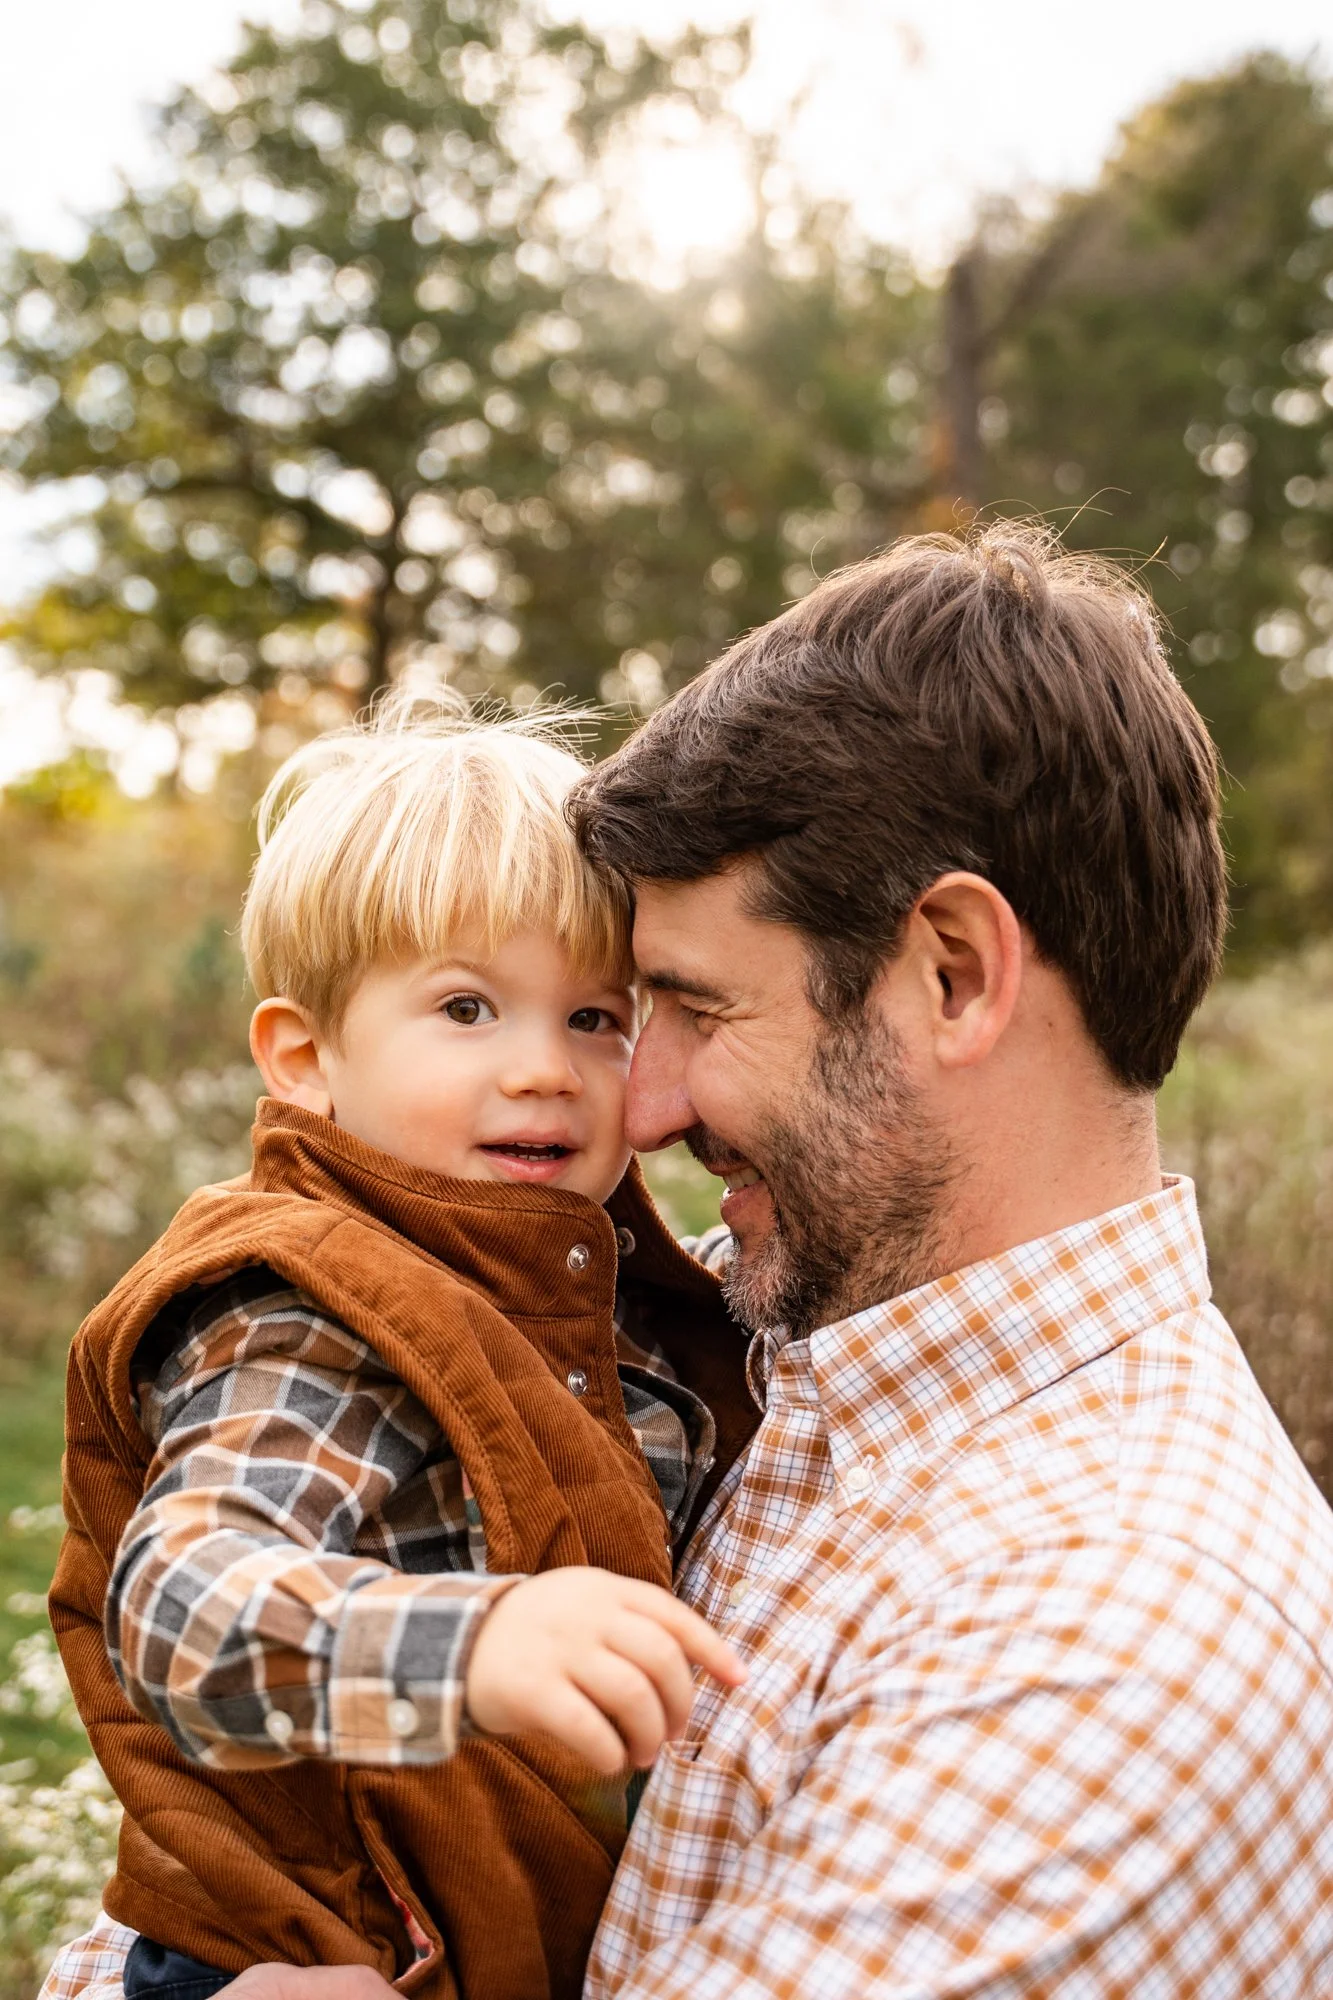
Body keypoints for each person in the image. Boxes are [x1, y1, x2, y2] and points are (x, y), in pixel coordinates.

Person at [150, 521, 1333, 1997]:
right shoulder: (748, 1319)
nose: (634, 1109)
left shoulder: (1104, 1640)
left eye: (690, 1011)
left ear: (953, 975)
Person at [42, 697, 753, 2000]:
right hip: (323, 1957)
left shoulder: (578, 1281)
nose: (544, 1069)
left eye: (597, 1019)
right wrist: (471, 1646)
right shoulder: (310, 1317)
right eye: (469, 1008)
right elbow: (182, 1608)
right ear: (305, 1060)